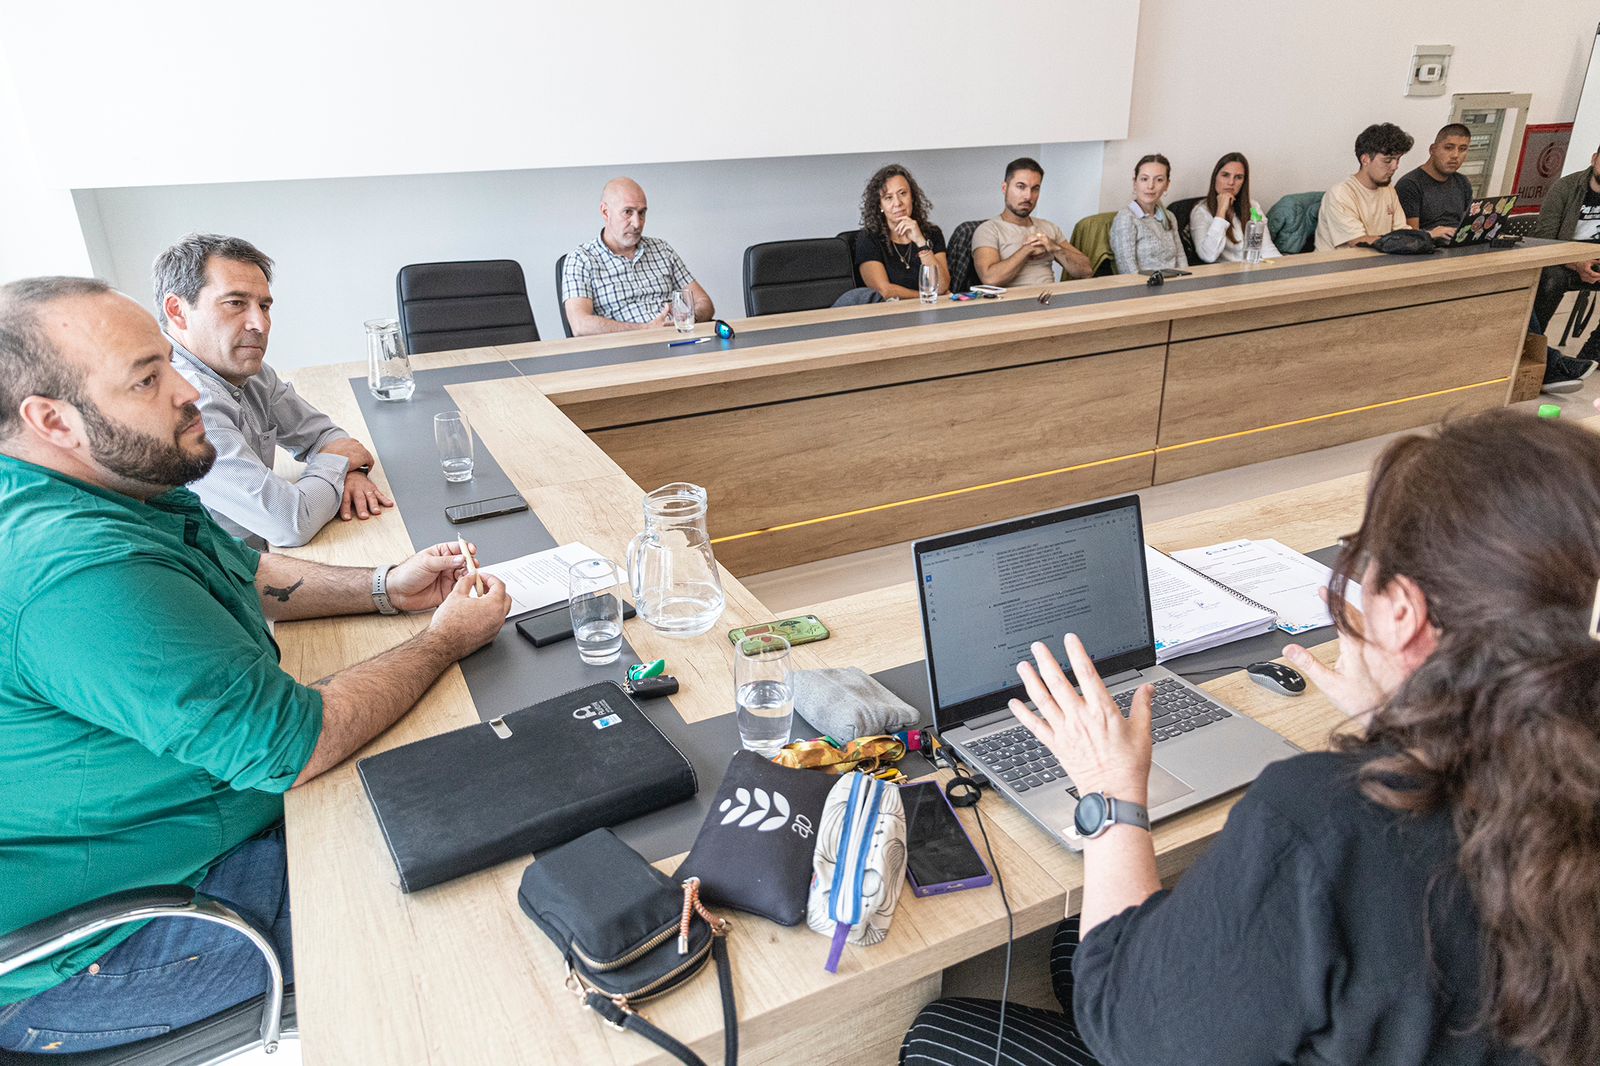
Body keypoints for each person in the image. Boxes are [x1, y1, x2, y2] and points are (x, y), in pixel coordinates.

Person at [903, 407, 1600, 1066]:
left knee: (944, 1032)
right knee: (1071, 942)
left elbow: (1125, 1023)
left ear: (1404, 615)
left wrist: (1110, 793)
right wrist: (1397, 713)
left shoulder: (1320, 819)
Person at [0, 277, 512, 1054]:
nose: (188, 392)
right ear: (51, 420)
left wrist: (384, 588)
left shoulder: (106, 483)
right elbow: (294, 744)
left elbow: (244, 570)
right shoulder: (76, 573)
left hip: (190, 835)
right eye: (147, 379)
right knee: (488, 891)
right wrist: (444, 640)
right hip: (114, 941)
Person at [156, 234, 391, 549]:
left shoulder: (248, 371)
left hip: (263, 558)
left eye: (264, 306)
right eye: (236, 303)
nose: (260, 324)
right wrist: (337, 465)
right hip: (227, 575)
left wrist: (350, 472)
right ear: (177, 310)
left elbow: (326, 436)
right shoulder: (188, 400)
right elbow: (290, 523)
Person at [561, 177, 713, 335]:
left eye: (642, 213)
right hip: (626, 346)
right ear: (605, 212)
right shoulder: (581, 260)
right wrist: (646, 329)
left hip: (675, 339)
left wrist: (686, 319)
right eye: (628, 212)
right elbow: (580, 325)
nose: (637, 223)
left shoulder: (662, 249)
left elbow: (704, 302)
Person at [972, 157, 1092, 287]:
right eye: (1021, 187)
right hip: (1015, 299)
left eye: (1035, 189)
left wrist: (1054, 248)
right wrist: (1028, 249)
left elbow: (1086, 271)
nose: (1028, 196)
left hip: (1051, 296)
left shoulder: (1049, 227)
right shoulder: (988, 230)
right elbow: (990, 279)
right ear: (1004, 188)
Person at [1532, 148, 1600, 364]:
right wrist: (1576, 263)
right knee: (1551, 280)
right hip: (1563, 261)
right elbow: (1544, 239)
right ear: (1594, 158)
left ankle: (1593, 354)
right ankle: (1531, 349)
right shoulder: (1565, 187)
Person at [853, 164, 950, 299]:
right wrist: (927, 296)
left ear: (912, 197)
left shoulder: (932, 233)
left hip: (931, 309)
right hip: (890, 311)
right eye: (888, 197)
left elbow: (942, 286)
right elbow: (884, 291)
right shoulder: (868, 238)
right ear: (880, 205)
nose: (897, 203)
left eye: (903, 193)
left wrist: (921, 242)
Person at [1315, 122, 1413, 249]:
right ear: (1365, 159)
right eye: (1388, 160)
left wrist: (1427, 237)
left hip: (1378, 258)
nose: (1395, 167)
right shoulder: (1340, 194)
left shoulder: (1388, 190)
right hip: (1339, 261)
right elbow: (1358, 242)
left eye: (1398, 159)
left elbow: (1402, 231)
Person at [1188, 152, 1282, 263]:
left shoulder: (1253, 206)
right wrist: (1221, 212)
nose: (1231, 182)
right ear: (1215, 178)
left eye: (1238, 177)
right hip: (1227, 272)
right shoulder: (1201, 211)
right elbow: (1208, 256)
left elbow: (1267, 249)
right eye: (1225, 175)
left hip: (1254, 269)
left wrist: (1285, 268)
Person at [1109, 154, 1187, 274]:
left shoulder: (1169, 216)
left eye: (1159, 180)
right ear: (1135, 183)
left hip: (1176, 282)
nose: (1150, 186)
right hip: (1145, 284)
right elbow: (1127, 271)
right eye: (1144, 179)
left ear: (1167, 185)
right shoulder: (1126, 218)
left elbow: (1181, 260)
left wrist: (1187, 281)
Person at [1396, 123, 1474, 238]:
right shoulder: (1410, 184)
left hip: (1457, 242)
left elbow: (1468, 223)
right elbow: (1410, 236)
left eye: (1462, 149)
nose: (1455, 155)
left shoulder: (1462, 182)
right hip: (1427, 245)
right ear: (1433, 149)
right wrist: (1433, 234)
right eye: (1448, 148)